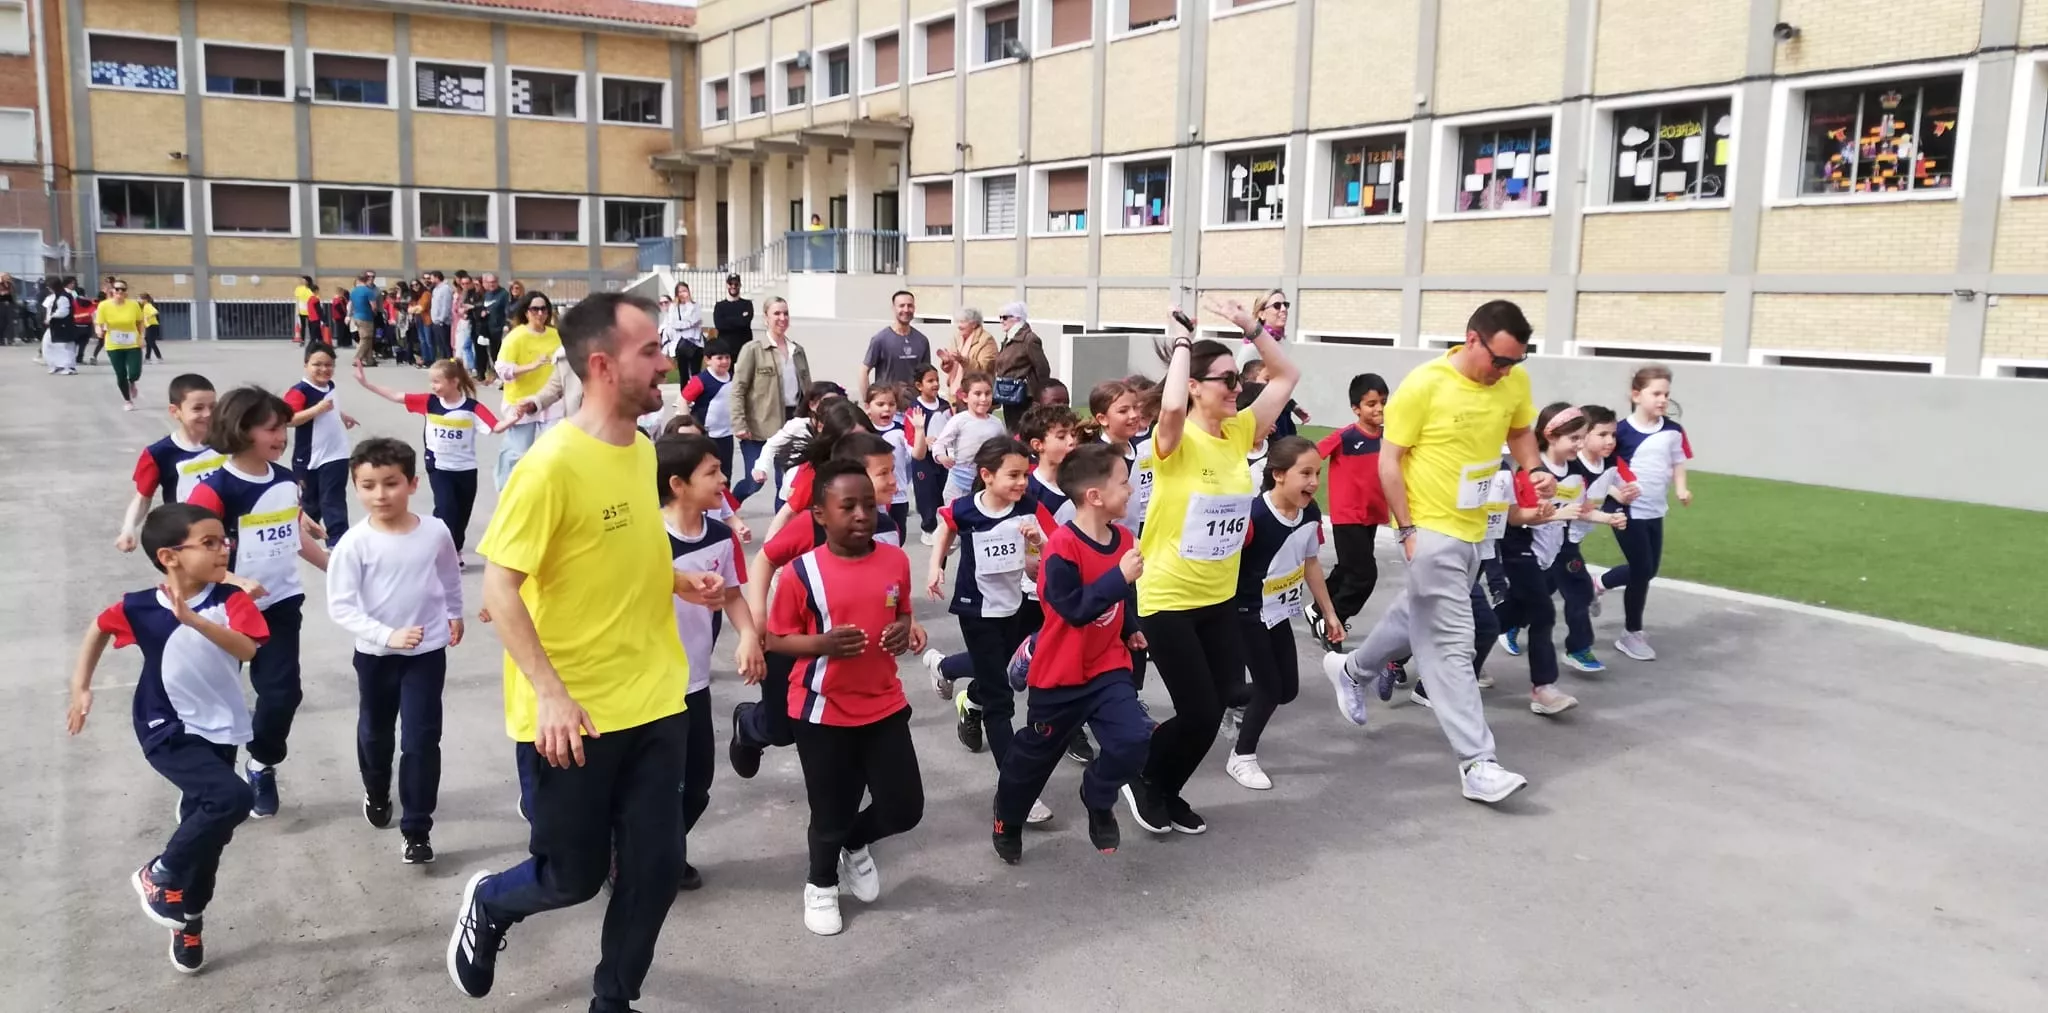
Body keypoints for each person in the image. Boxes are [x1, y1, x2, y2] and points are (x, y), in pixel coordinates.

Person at [446, 292, 723, 1009]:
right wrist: (551, 692)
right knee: (571, 876)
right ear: (602, 365)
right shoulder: (549, 467)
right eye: (650, 351)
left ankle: (612, 1000)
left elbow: (618, 548)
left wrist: (677, 579)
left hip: (655, 695)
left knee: (654, 870)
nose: (666, 363)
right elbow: (501, 588)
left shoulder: (641, 449)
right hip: (574, 716)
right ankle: (492, 902)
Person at [1320, 299, 1554, 806]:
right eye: (1499, 360)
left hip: (1477, 527)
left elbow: (1519, 431)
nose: (1505, 371)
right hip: (1430, 529)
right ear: (1472, 340)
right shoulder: (1424, 385)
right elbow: (1389, 462)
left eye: (1515, 361)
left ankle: (1352, 670)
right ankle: (1477, 763)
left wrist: (1534, 468)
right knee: (1450, 643)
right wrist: (1407, 529)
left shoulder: (1512, 381)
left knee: (1415, 614)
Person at [1120, 298, 1298, 838]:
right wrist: (1181, 341)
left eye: (1237, 380)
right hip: (1169, 596)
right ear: (1195, 385)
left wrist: (1253, 328)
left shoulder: (1239, 432)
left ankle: (1166, 787)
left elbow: (1286, 376)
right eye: (1226, 380)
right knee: (1197, 710)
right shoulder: (1173, 440)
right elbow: (1172, 407)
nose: (1237, 388)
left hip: (1219, 596)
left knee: (1217, 704)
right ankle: (1143, 775)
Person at [67, 502, 268, 974]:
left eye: (224, 541)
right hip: (164, 726)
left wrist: (195, 619)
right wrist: (80, 687)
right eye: (209, 543)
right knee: (234, 798)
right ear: (169, 556)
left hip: (220, 728)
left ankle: (188, 919)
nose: (223, 550)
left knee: (210, 839)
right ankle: (157, 872)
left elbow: (248, 648)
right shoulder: (140, 606)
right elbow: (98, 627)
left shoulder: (230, 600)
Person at [765, 459, 926, 936]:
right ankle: (820, 884)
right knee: (830, 809)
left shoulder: (895, 560)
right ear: (820, 514)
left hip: (884, 702)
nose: (861, 515)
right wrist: (822, 644)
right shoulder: (801, 573)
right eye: (848, 506)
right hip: (822, 710)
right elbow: (775, 639)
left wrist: (902, 630)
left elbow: (902, 611)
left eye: (869, 505)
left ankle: (855, 842)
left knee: (904, 807)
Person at [990, 442, 1150, 863]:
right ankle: (1008, 816)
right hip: (1060, 674)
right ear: (1094, 495)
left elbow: (1119, 600)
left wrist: (1130, 628)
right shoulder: (1061, 548)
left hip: (1107, 667)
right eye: (1123, 482)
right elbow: (1073, 609)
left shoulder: (1123, 538)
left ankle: (1098, 796)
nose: (1131, 490)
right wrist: (1119, 578)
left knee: (1133, 740)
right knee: (1034, 759)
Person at [188, 386, 333, 819]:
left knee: (283, 694)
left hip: (280, 605)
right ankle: (208, 783)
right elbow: (191, 557)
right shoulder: (213, 491)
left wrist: (336, 567)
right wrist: (232, 580)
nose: (281, 437)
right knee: (217, 701)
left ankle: (261, 763)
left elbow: (294, 535)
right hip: (223, 611)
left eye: (283, 428)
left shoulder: (286, 480)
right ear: (242, 429)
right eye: (271, 429)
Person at [730, 432, 905, 776]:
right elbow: (765, 558)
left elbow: (890, 586)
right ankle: (748, 725)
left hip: (845, 654)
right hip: (792, 643)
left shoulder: (887, 528)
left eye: (893, 471)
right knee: (782, 730)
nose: (893, 481)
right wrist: (758, 619)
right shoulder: (813, 525)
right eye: (883, 472)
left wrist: (905, 622)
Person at [325, 437, 462, 863]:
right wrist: (387, 636)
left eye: (391, 483)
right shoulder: (354, 543)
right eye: (368, 485)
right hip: (375, 656)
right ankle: (377, 788)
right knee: (376, 732)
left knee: (422, 739)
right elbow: (341, 606)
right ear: (355, 487)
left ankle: (417, 828)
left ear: (413, 483)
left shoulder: (435, 531)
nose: (380, 494)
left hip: (427, 652)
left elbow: (449, 575)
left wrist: (455, 612)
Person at [655, 432, 765, 891]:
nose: (723, 479)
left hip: (694, 683)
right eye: (713, 472)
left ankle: (660, 851)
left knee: (697, 785)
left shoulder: (720, 536)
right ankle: (639, 857)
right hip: (647, 686)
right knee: (652, 786)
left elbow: (734, 594)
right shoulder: (645, 538)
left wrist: (748, 637)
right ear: (677, 484)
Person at [925, 440, 1046, 792]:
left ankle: (944, 667)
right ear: (987, 475)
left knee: (999, 668)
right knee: (1000, 698)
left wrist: (1036, 544)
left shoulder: (1028, 507)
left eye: (1025, 475)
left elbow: (1044, 556)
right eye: (1013, 475)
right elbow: (946, 527)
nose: (1022, 482)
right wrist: (936, 566)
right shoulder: (966, 509)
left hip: (1013, 605)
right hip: (975, 608)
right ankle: (1014, 789)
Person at [1224, 436, 1342, 791]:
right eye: (1305, 473)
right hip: (1245, 612)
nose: (1314, 482)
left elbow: (1310, 562)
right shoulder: (1253, 516)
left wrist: (1329, 613)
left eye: (1317, 473)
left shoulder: (1310, 513)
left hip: (1278, 612)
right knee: (1270, 688)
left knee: (1287, 689)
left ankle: (1227, 699)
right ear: (1278, 474)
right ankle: (1242, 756)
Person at [353, 359, 500, 558]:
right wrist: (366, 384)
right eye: (431, 382)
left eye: (437, 382)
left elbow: (496, 426)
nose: (433, 386)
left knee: (462, 513)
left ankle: (455, 548)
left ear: (454, 381)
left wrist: (517, 416)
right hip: (439, 466)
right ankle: (441, 550)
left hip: (465, 468)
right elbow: (396, 396)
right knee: (446, 509)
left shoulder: (471, 407)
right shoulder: (429, 402)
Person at [1598, 364, 1692, 662]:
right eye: (1656, 393)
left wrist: (1681, 488)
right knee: (1641, 570)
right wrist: (1615, 493)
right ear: (1636, 395)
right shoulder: (1619, 432)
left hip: (1654, 510)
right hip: (1625, 510)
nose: (1663, 399)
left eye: (1666, 394)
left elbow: (1678, 462)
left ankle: (1598, 584)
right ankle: (1631, 633)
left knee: (1649, 570)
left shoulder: (1673, 431)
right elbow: (1599, 469)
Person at [1304, 373, 1390, 647]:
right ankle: (1334, 620)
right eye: (1371, 403)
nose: (1378, 409)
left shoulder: (1389, 438)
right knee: (1364, 575)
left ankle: (1317, 609)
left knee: (1347, 569)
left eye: (1383, 402)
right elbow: (1310, 457)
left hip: (1372, 515)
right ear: (1356, 408)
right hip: (1348, 516)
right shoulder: (1346, 436)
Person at [1554, 405, 1639, 673]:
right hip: (1557, 539)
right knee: (1579, 592)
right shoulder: (1573, 468)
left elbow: (1612, 486)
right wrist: (1609, 518)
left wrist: (1624, 495)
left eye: (1612, 434)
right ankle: (1578, 649)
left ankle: (1508, 623)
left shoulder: (1610, 463)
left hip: (1571, 540)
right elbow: (1581, 509)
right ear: (1584, 436)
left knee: (1539, 592)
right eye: (1602, 434)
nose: (1610, 440)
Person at [117, 374, 224, 551]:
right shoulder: (158, 453)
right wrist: (128, 529)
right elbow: (143, 497)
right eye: (198, 408)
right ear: (175, 411)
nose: (208, 414)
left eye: (213, 407)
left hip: (227, 532)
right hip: (188, 538)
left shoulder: (229, 443)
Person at [728, 296, 811, 503]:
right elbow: (738, 389)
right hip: (759, 425)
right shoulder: (753, 349)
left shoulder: (797, 351)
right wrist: (739, 423)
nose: (782, 318)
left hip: (791, 421)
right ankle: (728, 508)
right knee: (754, 481)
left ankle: (781, 523)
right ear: (766, 318)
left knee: (786, 482)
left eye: (785, 313)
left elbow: (808, 391)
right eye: (777, 313)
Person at [283, 342, 360, 547]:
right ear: (306, 364)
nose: (324, 369)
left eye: (329, 365)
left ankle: (337, 541)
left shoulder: (329, 386)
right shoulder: (300, 391)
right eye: (317, 364)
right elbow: (288, 420)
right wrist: (317, 410)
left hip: (336, 454)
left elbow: (331, 406)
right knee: (310, 503)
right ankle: (300, 535)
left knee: (333, 498)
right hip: (309, 457)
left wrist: (342, 416)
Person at [493, 292, 564, 489]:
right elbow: (502, 370)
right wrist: (531, 366)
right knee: (518, 452)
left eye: (544, 309)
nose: (540, 314)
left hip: (551, 402)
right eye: (535, 309)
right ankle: (506, 489)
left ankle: (546, 491)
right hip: (521, 402)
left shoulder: (556, 336)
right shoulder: (515, 337)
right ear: (526, 312)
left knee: (553, 452)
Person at [931, 373, 1009, 502]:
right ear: (965, 397)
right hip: (958, 483)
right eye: (978, 394)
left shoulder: (996, 423)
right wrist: (941, 457)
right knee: (956, 513)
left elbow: (1005, 449)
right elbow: (940, 443)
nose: (983, 399)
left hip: (985, 483)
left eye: (987, 394)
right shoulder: (959, 420)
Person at [904, 364, 952, 543]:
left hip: (942, 458)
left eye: (937, 380)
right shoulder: (914, 409)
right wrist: (923, 440)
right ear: (919, 385)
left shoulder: (944, 406)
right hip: (924, 460)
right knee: (927, 494)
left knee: (943, 490)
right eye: (930, 381)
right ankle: (928, 528)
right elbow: (910, 437)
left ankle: (943, 526)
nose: (935, 384)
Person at [856, 290, 932, 400]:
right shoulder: (880, 339)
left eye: (910, 306)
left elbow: (927, 375)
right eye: (901, 306)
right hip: (888, 404)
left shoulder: (922, 340)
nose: (906, 310)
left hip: (914, 404)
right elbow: (864, 371)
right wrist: (868, 401)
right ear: (894, 308)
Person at [678, 340, 738, 480]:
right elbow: (683, 400)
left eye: (727, 357)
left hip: (726, 434)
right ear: (707, 360)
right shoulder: (701, 380)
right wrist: (688, 425)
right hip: (706, 434)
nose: (725, 361)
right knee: (706, 470)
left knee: (725, 472)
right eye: (719, 358)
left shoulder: (733, 378)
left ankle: (724, 493)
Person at [991, 302, 1050, 430]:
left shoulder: (1029, 339)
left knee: (1021, 430)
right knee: (1011, 429)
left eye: (1005, 317)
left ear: (1017, 318)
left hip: (1023, 396)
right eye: (1000, 317)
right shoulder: (1009, 338)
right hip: (1008, 394)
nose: (1001, 321)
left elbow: (1043, 369)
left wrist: (1038, 396)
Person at [865, 383, 914, 535]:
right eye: (880, 404)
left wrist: (919, 431)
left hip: (897, 496)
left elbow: (916, 455)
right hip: (872, 495)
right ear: (867, 407)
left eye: (891, 404)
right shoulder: (863, 431)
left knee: (899, 534)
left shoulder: (901, 430)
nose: (887, 408)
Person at [94, 279, 148, 411]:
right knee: (120, 373)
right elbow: (98, 322)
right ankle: (128, 400)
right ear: (112, 291)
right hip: (114, 345)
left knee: (135, 372)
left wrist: (142, 337)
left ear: (126, 292)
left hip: (132, 343)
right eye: (117, 289)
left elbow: (140, 322)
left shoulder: (133, 305)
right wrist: (98, 330)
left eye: (122, 289)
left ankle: (132, 382)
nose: (119, 291)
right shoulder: (104, 305)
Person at [937, 308, 997, 398]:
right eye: (958, 322)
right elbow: (952, 369)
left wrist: (962, 360)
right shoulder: (958, 337)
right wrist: (947, 362)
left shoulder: (986, 340)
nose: (959, 326)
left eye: (962, 322)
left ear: (974, 324)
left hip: (977, 394)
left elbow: (984, 369)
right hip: (955, 392)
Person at [662, 281, 705, 379]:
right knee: (683, 374)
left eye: (684, 291)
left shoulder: (695, 305)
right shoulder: (674, 307)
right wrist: (689, 324)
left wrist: (688, 304)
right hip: (681, 343)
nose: (683, 294)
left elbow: (695, 319)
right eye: (680, 291)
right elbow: (674, 324)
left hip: (695, 343)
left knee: (696, 374)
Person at [474, 273, 508, 385]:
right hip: (487, 329)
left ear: (497, 282)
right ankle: (492, 375)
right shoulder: (487, 294)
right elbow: (484, 307)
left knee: (498, 354)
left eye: (493, 282)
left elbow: (507, 311)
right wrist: (483, 312)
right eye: (489, 282)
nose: (491, 284)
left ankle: (502, 377)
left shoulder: (503, 294)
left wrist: (506, 324)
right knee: (490, 354)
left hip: (499, 329)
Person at [41, 276, 77, 374]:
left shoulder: (63, 297)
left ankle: (68, 367)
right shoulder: (57, 295)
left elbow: (63, 312)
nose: (48, 289)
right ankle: (57, 364)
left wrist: (50, 317)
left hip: (62, 325)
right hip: (56, 325)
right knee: (49, 345)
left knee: (63, 347)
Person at [712, 274, 755, 352]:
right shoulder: (719, 306)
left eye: (736, 284)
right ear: (727, 285)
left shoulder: (747, 304)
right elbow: (719, 325)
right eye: (730, 284)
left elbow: (745, 322)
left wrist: (727, 320)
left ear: (740, 285)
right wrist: (739, 319)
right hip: (725, 349)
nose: (733, 286)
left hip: (744, 349)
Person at [350, 272, 381, 367]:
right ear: (366, 280)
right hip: (366, 317)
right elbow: (374, 306)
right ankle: (357, 358)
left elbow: (352, 305)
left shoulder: (353, 291)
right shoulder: (368, 291)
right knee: (365, 339)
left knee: (368, 339)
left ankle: (369, 359)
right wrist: (375, 313)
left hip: (356, 316)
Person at [427, 271, 455, 365]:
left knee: (446, 345)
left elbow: (446, 305)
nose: (430, 280)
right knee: (441, 345)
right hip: (435, 321)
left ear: (437, 278)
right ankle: (444, 363)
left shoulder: (445, 289)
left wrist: (442, 319)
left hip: (443, 322)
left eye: (431, 278)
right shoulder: (435, 289)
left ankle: (451, 364)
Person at [293, 275, 316, 345]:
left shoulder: (312, 288)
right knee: (303, 326)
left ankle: (312, 340)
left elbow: (315, 299)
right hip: (302, 311)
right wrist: (297, 311)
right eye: (302, 280)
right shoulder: (298, 289)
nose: (302, 281)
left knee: (311, 326)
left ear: (308, 281)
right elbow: (297, 301)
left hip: (310, 311)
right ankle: (302, 340)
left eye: (304, 280)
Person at [141, 294, 164, 361]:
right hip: (149, 325)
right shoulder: (145, 306)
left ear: (145, 300)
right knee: (148, 341)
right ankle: (147, 357)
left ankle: (159, 357)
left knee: (151, 342)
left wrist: (148, 317)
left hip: (152, 325)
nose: (140, 300)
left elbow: (155, 311)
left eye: (141, 299)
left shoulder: (148, 305)